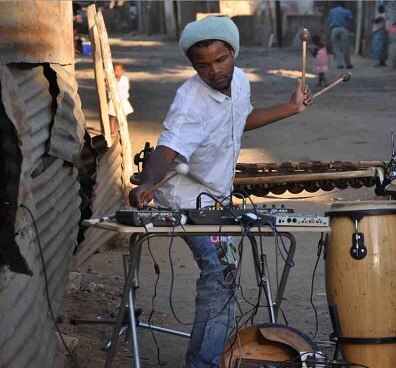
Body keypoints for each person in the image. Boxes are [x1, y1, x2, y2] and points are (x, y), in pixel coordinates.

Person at [128, 16, 313, 367]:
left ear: (233, 52)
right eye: (203, 65)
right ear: (193, 66)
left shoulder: (240, 81)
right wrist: (150, 182)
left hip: (216, 196)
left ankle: (203, 358)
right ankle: (205, 362)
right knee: (221, 273)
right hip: (186, 200)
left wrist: (290, 108)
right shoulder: (189, 102)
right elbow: (166, 151)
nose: (214, 70)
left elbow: (239, 119)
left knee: (223, 277)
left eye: (220, 60)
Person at [107, 63, 134, 137]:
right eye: (116, 70)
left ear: (123, 71)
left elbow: (125, 89)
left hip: (123, 100)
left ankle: (123, 129)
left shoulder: (125, 79)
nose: (118, 72)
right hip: (113, 100)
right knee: (112, 116)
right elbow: (107, 88)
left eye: (119, 70)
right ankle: (112, 130)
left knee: (123, 116)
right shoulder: (110, 79)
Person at [328, 2, 353, 69]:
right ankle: (348, 64)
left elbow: (330, 20)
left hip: (334, 29)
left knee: (336, 47)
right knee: (345, 47)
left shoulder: (332, 11)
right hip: (344, 29)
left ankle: (339, 64)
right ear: (344, 4)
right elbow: (351, 20)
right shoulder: (347, 12)